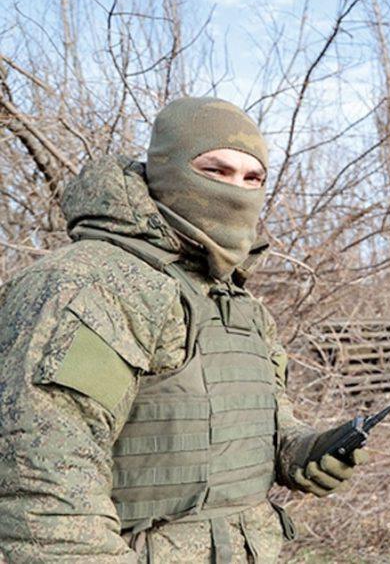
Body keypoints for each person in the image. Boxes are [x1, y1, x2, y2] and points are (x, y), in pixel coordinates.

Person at [0, 97, 367, 562]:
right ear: (167, 170)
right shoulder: (93, 284)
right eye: (216, 171)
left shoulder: (234, 299)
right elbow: (42, 491)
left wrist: (300, 450)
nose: (236, 190)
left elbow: (252, 417)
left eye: (252, 178)